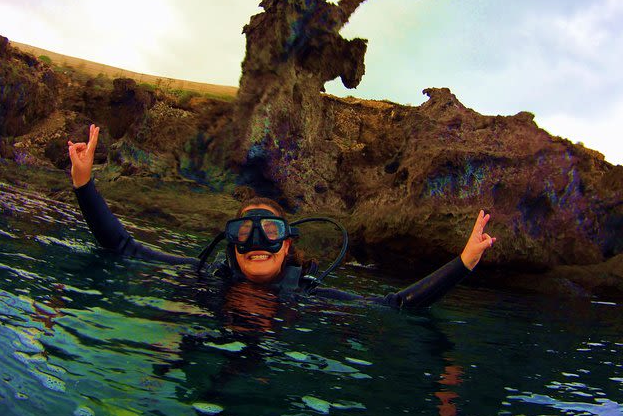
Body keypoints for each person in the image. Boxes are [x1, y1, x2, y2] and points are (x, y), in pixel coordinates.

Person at [68, 124, 496, 308]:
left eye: (268, 230)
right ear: (231, 242)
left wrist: (464, 263)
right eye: (244, 231)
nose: (256, 242)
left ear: (287, 242)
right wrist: (85, 183)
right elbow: (122, 245)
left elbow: (394, 305)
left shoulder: (307, 295)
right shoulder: (208, 275)